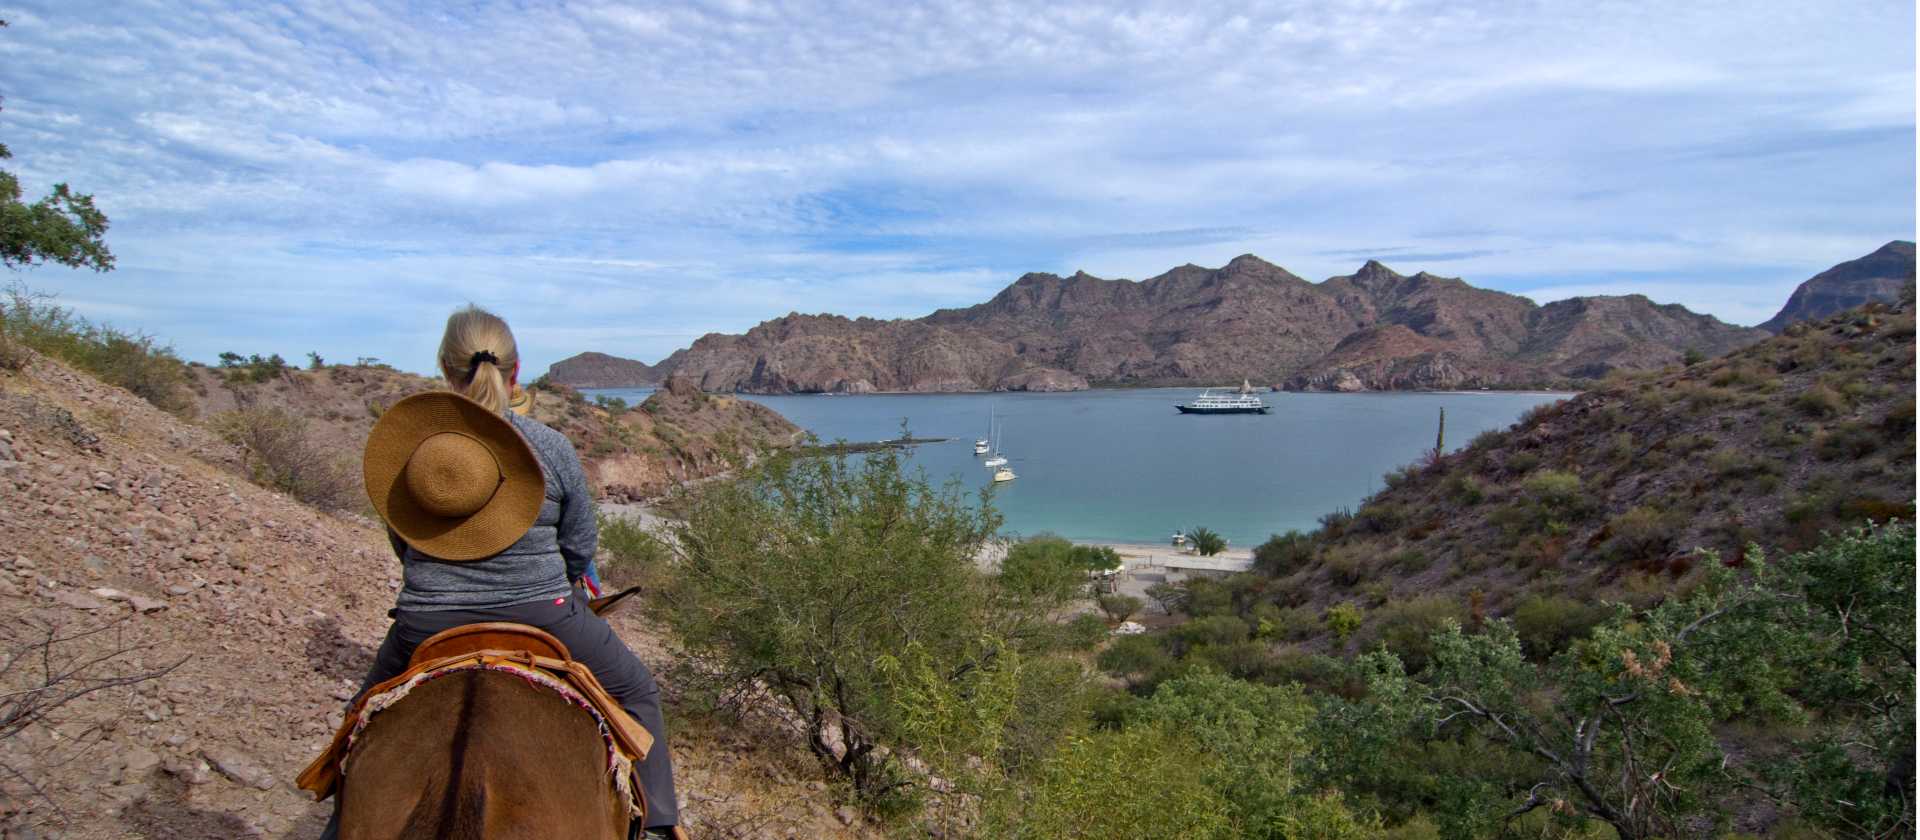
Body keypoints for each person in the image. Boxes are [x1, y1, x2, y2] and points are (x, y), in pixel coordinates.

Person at [322, 305, 678, 838]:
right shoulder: (551, 447)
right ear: (515, 372)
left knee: (361, 722)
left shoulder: (416, 452)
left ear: (445, 368)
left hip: (425, 622)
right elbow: (579, 545)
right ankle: (658, 826)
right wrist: (566, 581)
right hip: (545, 616)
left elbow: (405, 541)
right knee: (637, 693)